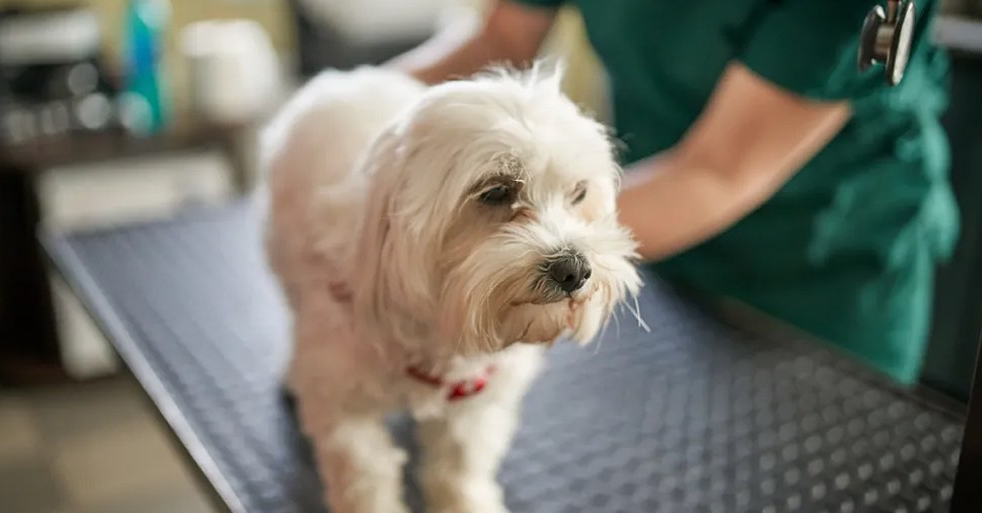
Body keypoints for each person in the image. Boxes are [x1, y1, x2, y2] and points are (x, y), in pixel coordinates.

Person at [387, 0, 959, 385]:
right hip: (652, 248)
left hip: (829, 271)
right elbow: (498, 37)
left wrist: (488, 263)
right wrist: (345, 118)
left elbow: (717, 172)